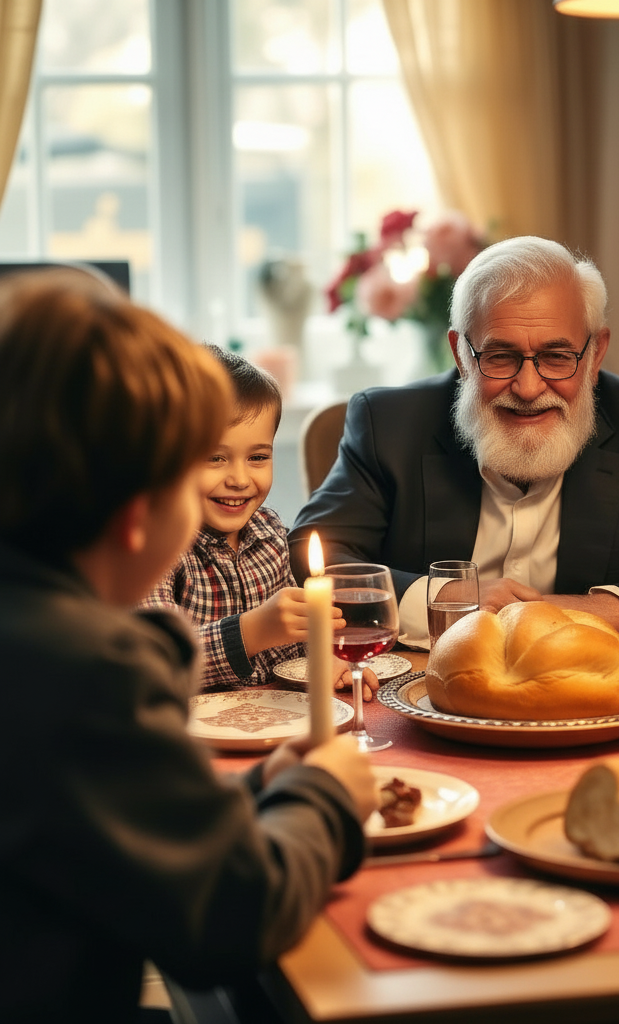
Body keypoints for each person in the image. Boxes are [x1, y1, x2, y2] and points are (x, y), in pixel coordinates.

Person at [0, 270, 376, 1022]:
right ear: (140, 513)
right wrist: (327, 797)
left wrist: (259, 792)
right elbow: (229, 918)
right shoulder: (86, 670)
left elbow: (94, 817)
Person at [289, 235, 619, 651]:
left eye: (557, 357)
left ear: (595, 354)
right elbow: (312, 556)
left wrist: (595, 611)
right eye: (499, 356)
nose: (526, 387)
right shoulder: (388, 423)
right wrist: (449, 595)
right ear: (461, 354)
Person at [141, 346, 377, 700]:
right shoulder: (154, 546)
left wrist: (327, 656)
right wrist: (250, 632)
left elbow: (297, 639)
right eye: (215, 458)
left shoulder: (269, 532)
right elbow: (153, 665)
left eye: (257, 457)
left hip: (278, 720)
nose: (239, 479)